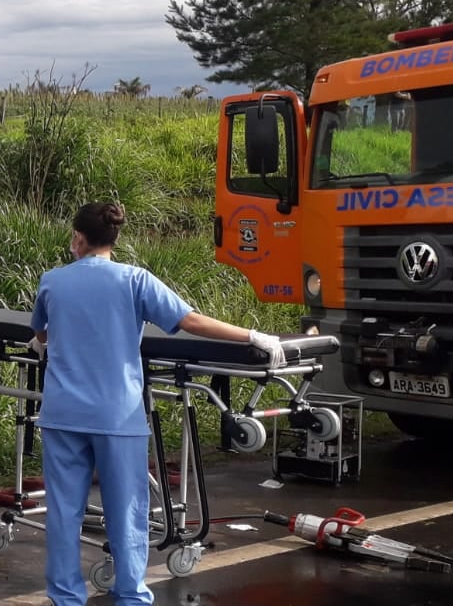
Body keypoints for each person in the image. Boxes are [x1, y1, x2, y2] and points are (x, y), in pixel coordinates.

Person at [29, 201, 286, 606]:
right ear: (114, 239)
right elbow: (191, 321)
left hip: (63, 414)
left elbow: (41, 335)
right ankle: (131, 595)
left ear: (77, 238)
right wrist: (252, 335)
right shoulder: (135, 280)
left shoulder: (52, 281)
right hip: (117, 414)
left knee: (64, 512)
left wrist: (45, 344)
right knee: (126, 511)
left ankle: (65, 598)